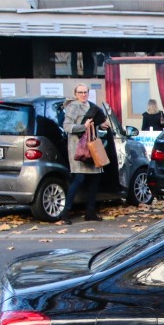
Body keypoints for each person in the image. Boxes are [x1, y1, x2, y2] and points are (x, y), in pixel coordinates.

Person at [60, 84, 107, 224]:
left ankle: (90, 212)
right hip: (78, 148)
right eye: (80, 92)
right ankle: (65, 212)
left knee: (95, 179)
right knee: (79, 179)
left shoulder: (91, 105)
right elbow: (67, 126)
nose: (83, 95)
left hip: (92, 147)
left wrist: (100, 125)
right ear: (75, 94)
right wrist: (83, 127)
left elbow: (92, 123)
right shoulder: (73, 106)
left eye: (85, 92)